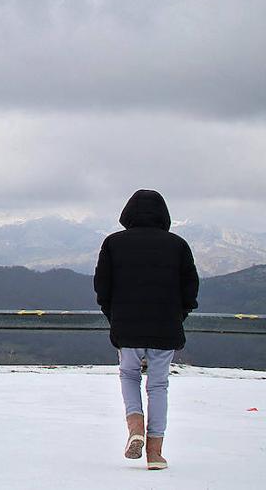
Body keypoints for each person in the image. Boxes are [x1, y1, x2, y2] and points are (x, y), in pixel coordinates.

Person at [93, 189, 199, 470]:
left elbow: (102, 289)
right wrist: (178, 316)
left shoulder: (113, 244)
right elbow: (190, 291)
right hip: (166, 326)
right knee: (158, 385)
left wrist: (113, 316)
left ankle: (135, 426)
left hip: (126, 325)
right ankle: (155, 452)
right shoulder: (178, 245)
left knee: (129, 375)